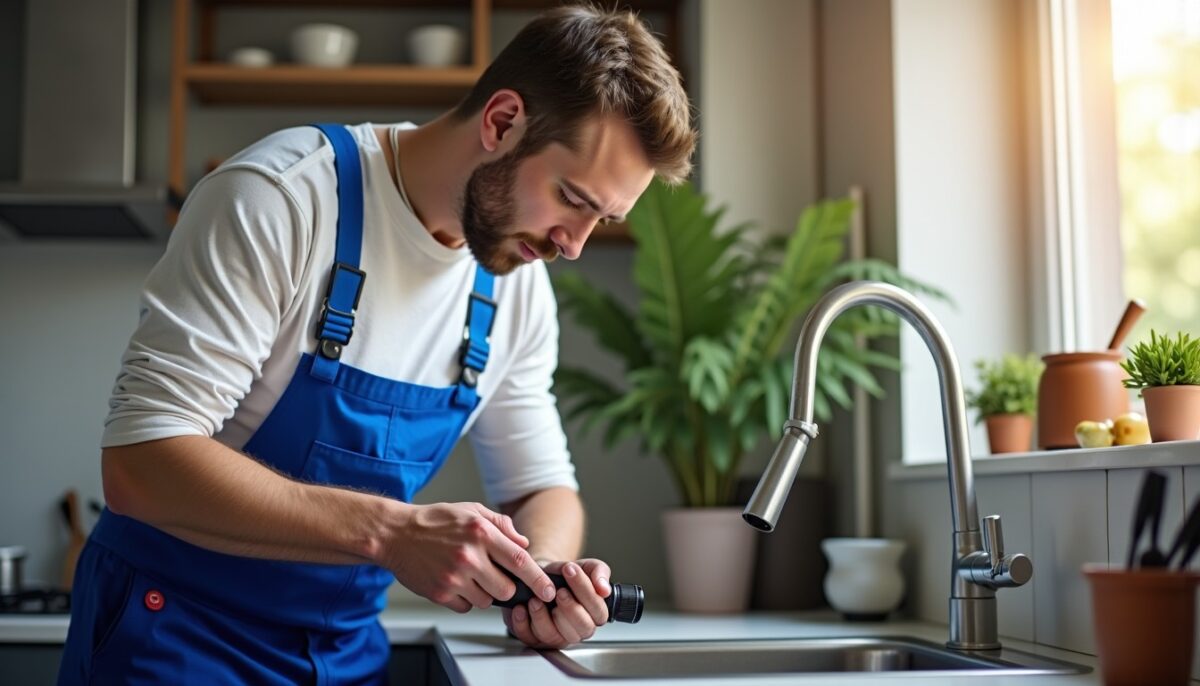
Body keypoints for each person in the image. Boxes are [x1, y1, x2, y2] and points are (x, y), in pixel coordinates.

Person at [57, 3, 695, 684]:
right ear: (502, 121)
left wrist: (537, 576)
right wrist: (392, 533)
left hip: (343, 657)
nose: (574, 245)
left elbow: (542, 488)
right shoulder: (283, 199)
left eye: (603, 219)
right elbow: (140, 462)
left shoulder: (515, 288)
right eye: (572, 198)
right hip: (173, 640)